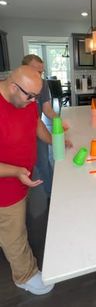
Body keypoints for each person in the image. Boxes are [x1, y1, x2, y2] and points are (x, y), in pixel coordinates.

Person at [0, 65, 54, 294]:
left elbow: (37, 124)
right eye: (30, 96)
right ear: (13, 86)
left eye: (36, 96)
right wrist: (17, 172)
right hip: (5, 188)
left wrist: (54, 140)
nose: (33, 102)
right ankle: (25, 275)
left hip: (24, 178)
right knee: (14, 233)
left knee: (18, 227)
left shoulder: (23, 100)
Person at [22, 54, 71, 197]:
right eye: (36, 71)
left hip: (37, 129)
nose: (40, 75)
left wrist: (59, 121)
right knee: (23, 167)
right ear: (24, 68)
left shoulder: (42, 85)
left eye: (41, 71)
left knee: (44, 162)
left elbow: (47, 109)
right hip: (18, 135)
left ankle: (51, 196)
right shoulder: (17, 86)